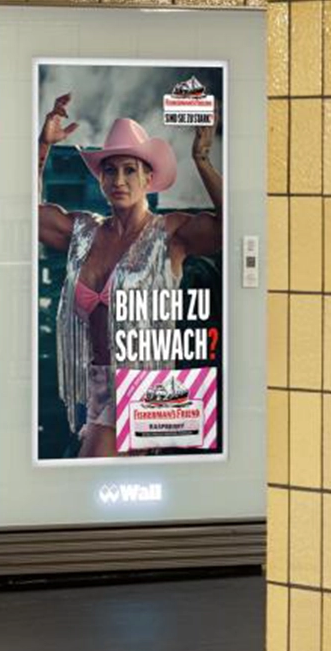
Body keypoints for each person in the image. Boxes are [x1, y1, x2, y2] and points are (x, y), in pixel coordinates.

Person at [37, 94, 222, 458]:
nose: (118, 180)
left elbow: (234, 229)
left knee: (88, 479)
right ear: (101, 178)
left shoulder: (170, 232)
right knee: (109, 497)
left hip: (144, 385)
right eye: (110, 170)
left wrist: (201, 159)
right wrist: (43, 146)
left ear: (148, 178)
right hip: (89, 387)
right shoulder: (83, 231)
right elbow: (24, 213)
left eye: (129, 170)